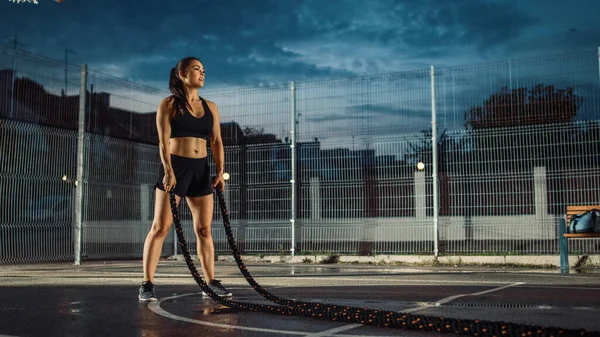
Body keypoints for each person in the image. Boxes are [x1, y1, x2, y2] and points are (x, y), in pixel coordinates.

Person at [138, 56, 231, 302]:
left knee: (204, 229)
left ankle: (210, 282)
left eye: (204, 69)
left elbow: (216, 141)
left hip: (201, 170)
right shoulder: (168, 105)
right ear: (182, 74)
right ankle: (147, 284)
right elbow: (162, 141)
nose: (202, 73)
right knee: (160, 227)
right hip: (176, 168)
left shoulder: (211, 107)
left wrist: (219, 171)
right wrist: (168, 170)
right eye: (196, 69)